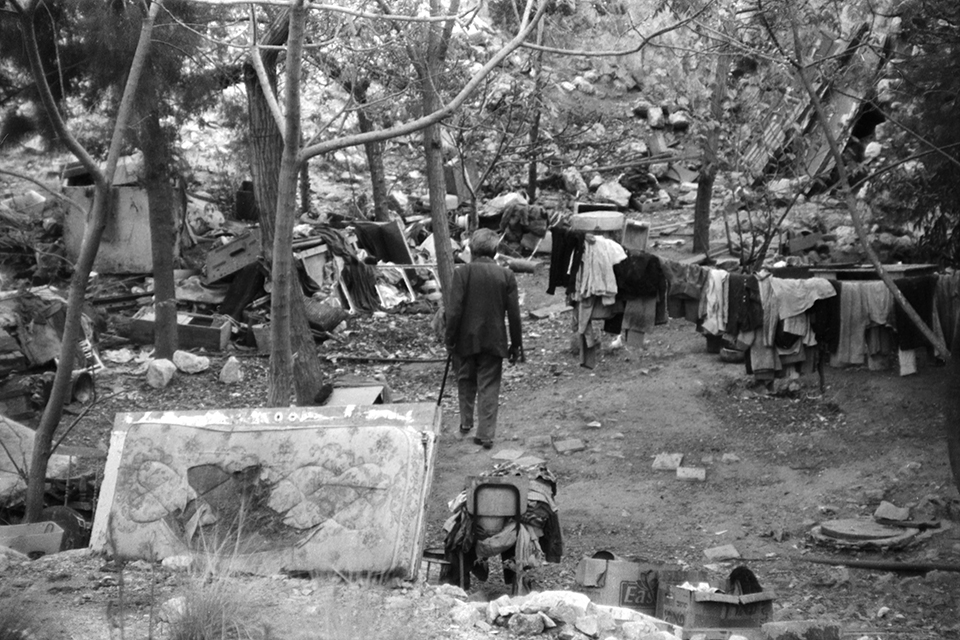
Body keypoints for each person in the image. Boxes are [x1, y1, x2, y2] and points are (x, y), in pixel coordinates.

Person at [445, 228, 524, 449]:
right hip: (494, 340)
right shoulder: (506, 275)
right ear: (496, 249)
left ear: (471, 249)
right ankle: (486, 434)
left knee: (465, 380)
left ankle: (465, 423)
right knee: (489, 385)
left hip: (465, 339)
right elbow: (514, 315)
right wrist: (516, 345)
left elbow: (454, 311)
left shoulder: (462, 273)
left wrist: (449, 338)